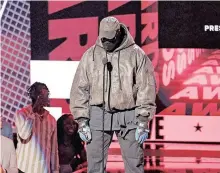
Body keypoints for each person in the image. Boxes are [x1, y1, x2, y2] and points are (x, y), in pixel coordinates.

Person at [70, 16, 157, 173]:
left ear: (118, 33)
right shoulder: (90, 55)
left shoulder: (136, 54)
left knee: (134, 163)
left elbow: (146, 88)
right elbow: (79, 88)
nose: (106, 43)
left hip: (129, 113)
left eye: (110, 39)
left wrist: (143, 120)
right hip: (98, 112)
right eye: (103, 39)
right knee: (94, 164)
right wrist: (82, 121)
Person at [14, 82, 59, 173]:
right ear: (34, 96)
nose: (45, 97)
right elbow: (24, 135)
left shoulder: (52, 119)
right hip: (24, 168)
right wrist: (34, 110)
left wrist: (55, 170)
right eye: (41, 94)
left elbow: (54, 148)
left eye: (46, 94)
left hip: (43, 169)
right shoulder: (21, 114)